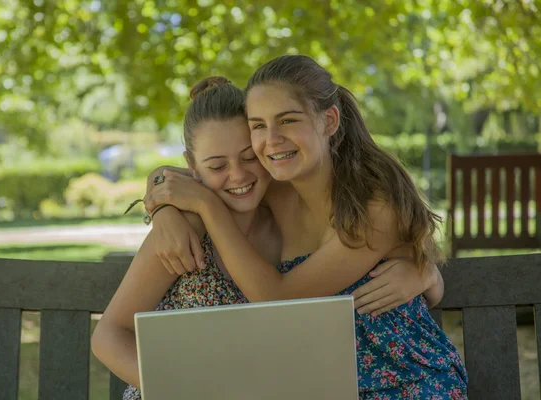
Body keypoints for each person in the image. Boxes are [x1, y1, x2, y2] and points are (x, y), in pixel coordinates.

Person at [143, 55, 468, 399]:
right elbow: (187, 175)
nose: (272, 139)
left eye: (288, 120)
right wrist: (163, 206)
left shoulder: (373, 207)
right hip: (323, 384)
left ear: (328, 121)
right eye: (258, 125)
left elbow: (277, 299)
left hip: (411, 380)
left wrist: (428, 274)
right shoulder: (273, 187)